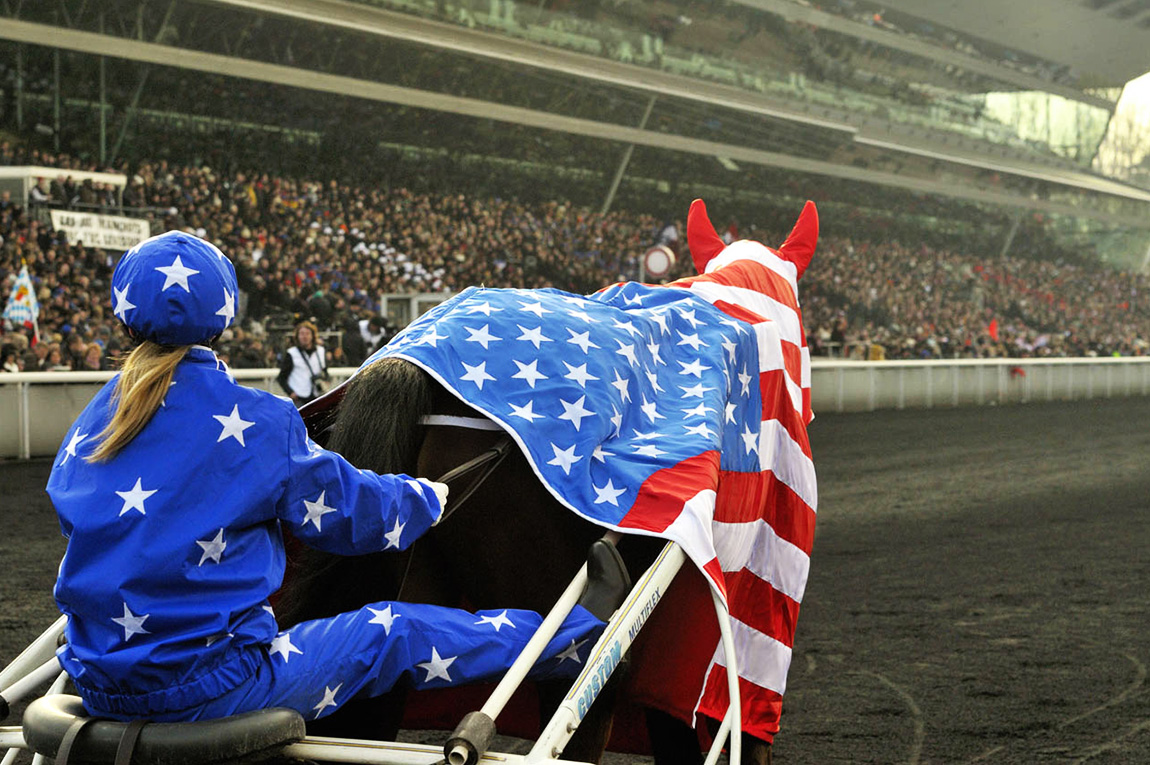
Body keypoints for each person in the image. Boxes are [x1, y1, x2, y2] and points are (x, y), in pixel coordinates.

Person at [47, 231, 625, 724]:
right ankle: (578, 635)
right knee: (393, 631)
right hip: (214, 688)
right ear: (223, 318)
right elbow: (353, 516)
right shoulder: (260, 422)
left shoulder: (89, 423)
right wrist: (427, 495)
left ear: (124, 317)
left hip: (96, 682)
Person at [278, 320, 328, 406]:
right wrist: (290, 393)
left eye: (307, 333)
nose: (305, 337)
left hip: (317, 395)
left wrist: (325, 381)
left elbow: (325, 371)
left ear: (313, 336)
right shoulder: (292, 353)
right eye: (302, 334)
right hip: (299, 397)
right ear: (297, 336)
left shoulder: (321, 351)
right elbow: (281, 377)